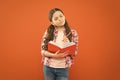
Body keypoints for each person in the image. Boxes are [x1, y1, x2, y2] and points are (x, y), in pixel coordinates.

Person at [41, 8, 78, 80]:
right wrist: (54, 55)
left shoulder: (72, 33)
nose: (60, 19)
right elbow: (42, 51)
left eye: (61, 16)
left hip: (63, 68)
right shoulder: (48, 32)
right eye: (56, 18)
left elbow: (75, 53)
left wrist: (69, 44)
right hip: (48, 67)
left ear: (64, 16)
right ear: (52, 22)